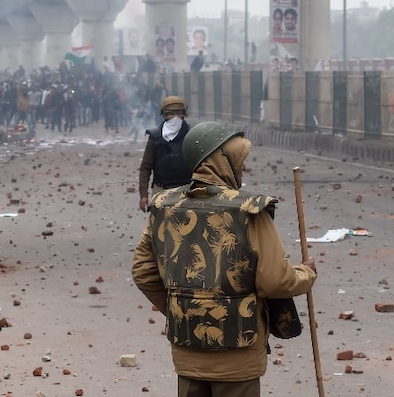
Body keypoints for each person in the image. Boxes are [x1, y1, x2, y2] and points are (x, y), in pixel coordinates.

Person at [132, 121, 317, 397]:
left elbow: (142, 271)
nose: (244, 168)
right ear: (221, 161)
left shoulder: (164, 206)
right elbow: (275, 280)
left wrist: (182, 309)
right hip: (238, 354)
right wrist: (306, 274)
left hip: (187, 350)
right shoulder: (249, 210)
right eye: (239, 160)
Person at [138, 96, 192, 213]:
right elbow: (146, 167)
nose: (175, 118)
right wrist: (143, 195)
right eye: (173, 113)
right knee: (159, 228)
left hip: (187, 192)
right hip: (161, 190)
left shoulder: (192, 135)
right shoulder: (155, 137)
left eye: (178, 113)